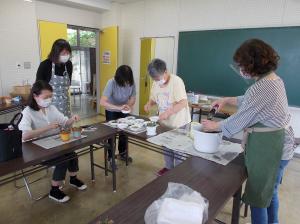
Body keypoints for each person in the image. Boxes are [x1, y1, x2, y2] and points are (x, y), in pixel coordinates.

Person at [202, 39, 295, 224]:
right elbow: (249, 100)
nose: (240, 69)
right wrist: (227, 99)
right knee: (270, 192)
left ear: (253, 64)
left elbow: (242, 116)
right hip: (280, 146)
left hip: (271, 149)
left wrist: (215, 126)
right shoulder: (273, 80)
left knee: (258, 197)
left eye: (242, 65)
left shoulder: (262, 87)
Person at [19, 80, 87, 203]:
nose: (49, 99)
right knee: (62, 160)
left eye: (51, 96)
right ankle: (54, 191)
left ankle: (73, 179)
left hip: (52, 144)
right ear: (35, 96)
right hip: (36, 150)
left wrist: (73, 119)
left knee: (72, 154)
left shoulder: (52, 108)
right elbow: (25, 135)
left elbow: (65, 123)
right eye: (46, 97)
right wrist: (48, 127)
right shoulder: (27, 112)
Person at [144, 58, 191, 176]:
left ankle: (178, 172)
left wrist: (167, 113)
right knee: (166, 146)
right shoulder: (156, 83)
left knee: (178, 150)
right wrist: (149, 103)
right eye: (154, 79)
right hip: (165, 123)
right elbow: (154, 98)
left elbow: (183, 103)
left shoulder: (176, 82)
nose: (156, 81)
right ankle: (168, 168)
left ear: (165, 72)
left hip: (179, 123)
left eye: (157, 78)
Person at [100, 65, 136, 165]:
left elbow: (133, 98)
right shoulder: (111, 82)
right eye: (124, 81)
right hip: (111, 110)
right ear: (119, 78)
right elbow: (102, 102)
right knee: (111, 134)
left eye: (128, 80)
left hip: (123, 110)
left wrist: (128, 105)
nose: (126, 83)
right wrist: (119, 107)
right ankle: (111, 157)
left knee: (124, 132)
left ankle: (122, 153)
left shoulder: (131, 82)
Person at [36, 39, 73, 117]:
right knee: (52, 127)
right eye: (63, 53)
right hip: (49, 105)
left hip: (65, 105)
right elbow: (38, 88)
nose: (66, 55)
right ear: (56, 53)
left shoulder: (69, 65)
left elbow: (68, 84)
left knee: (66, 125)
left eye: (68, 53)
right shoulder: (45, 65)